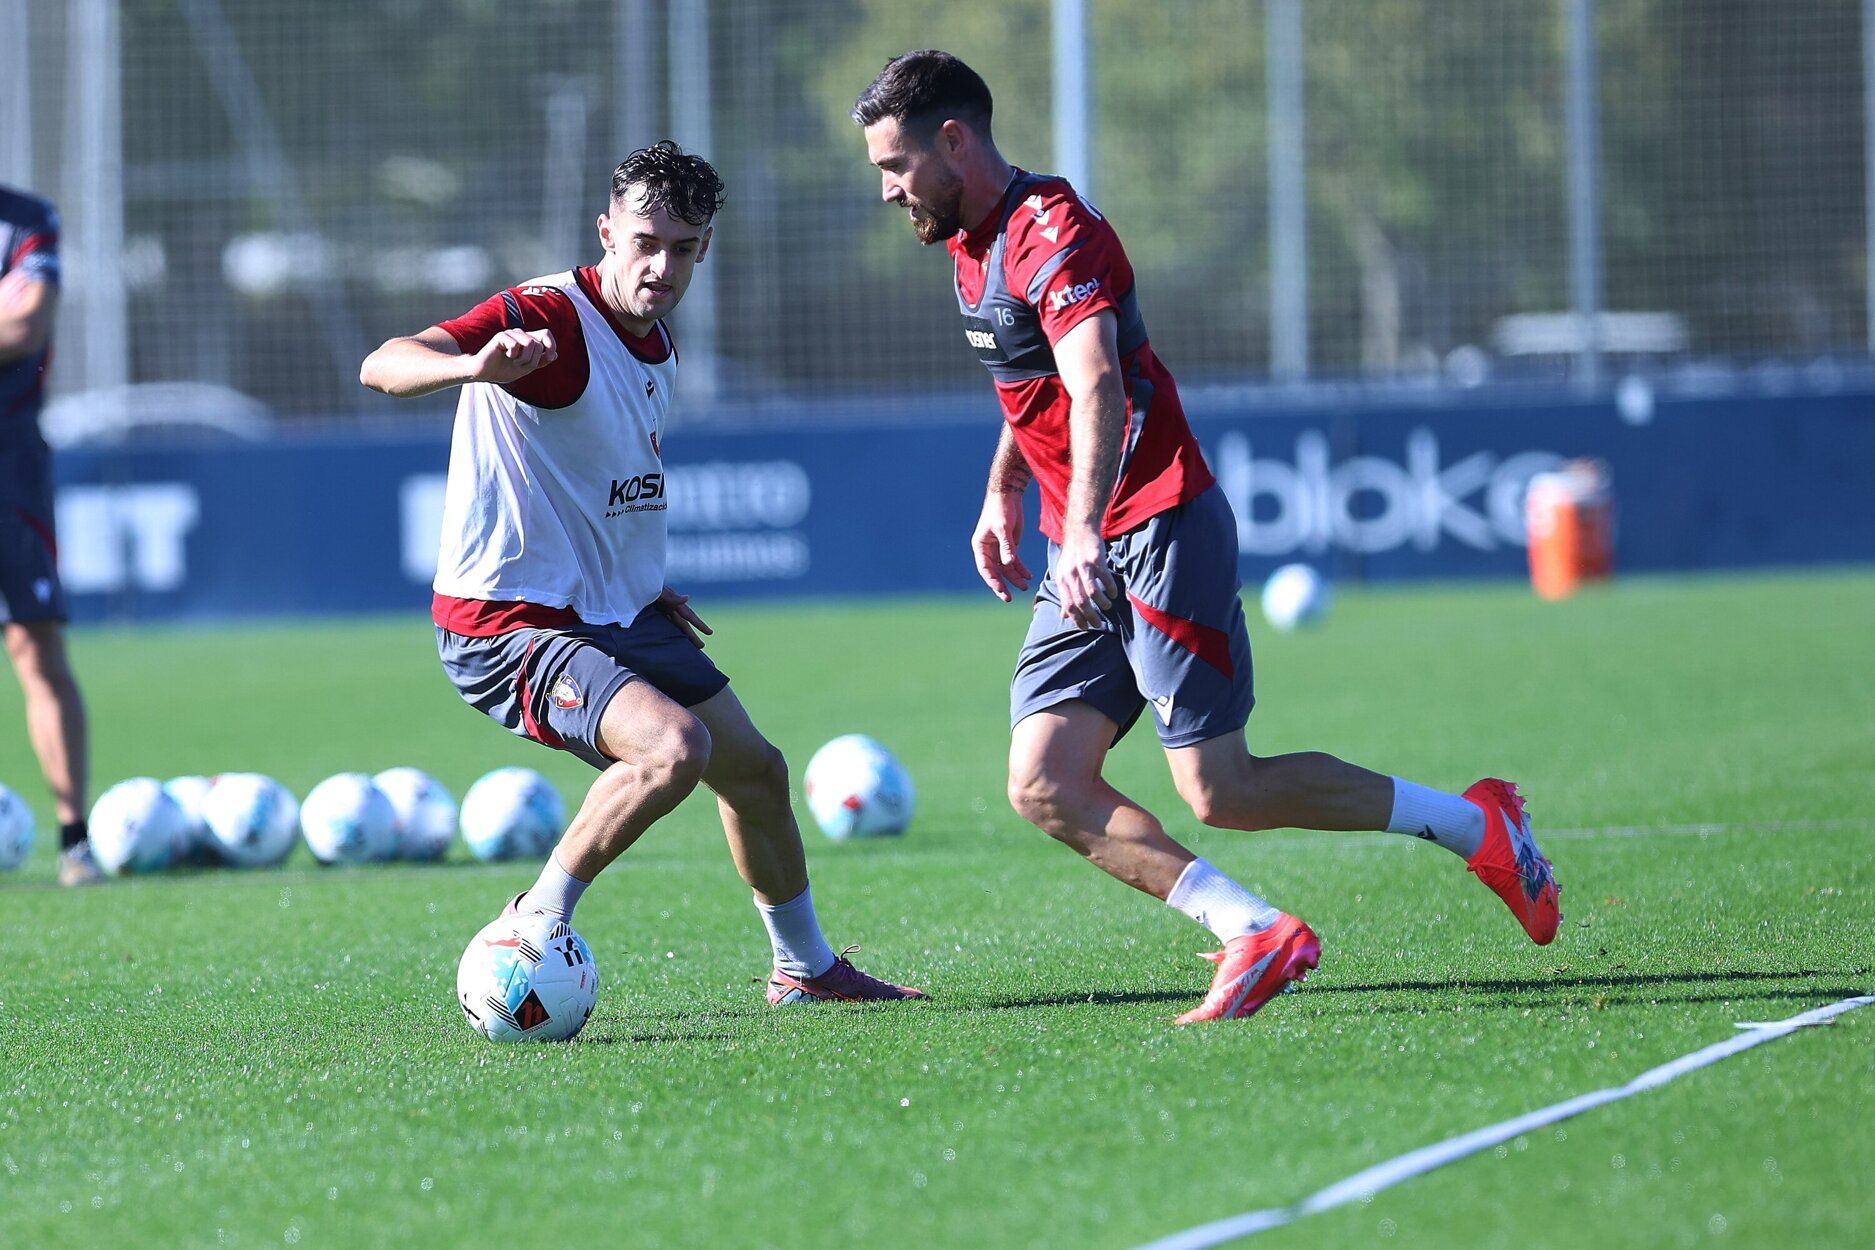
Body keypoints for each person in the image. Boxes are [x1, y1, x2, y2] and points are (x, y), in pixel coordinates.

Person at [853, 52, 1559, 1024]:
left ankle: (1479, 824)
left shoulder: (1051, 232)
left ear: (953, 140)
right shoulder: (965, 240)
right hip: (1082, 544)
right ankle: (1251, 929)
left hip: (1153, 525)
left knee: (1219, 788)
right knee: (1044, 781)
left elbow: (1096, 382)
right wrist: (1000, 494)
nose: (890, 191)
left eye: (896, 166)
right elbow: (1031, 388)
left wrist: (1089, 530)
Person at [360, 142, 921, 1006]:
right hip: (509, 623)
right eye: (644, 241)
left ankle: (804, 970)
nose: (661, 266)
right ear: (605, 232)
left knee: (757, 773)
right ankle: (531, 925)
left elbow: (600, 476)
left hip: (611, 608)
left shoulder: (654, 340)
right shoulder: (547, 314)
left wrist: (636, 577)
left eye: (685, 248)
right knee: (673, 751)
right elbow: (385, 361)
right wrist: (469, 366)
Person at [0, 184, 95, 886]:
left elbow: (24, 325)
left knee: (36, 645)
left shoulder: (27, 219)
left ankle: (75, 841)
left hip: (10, 466)